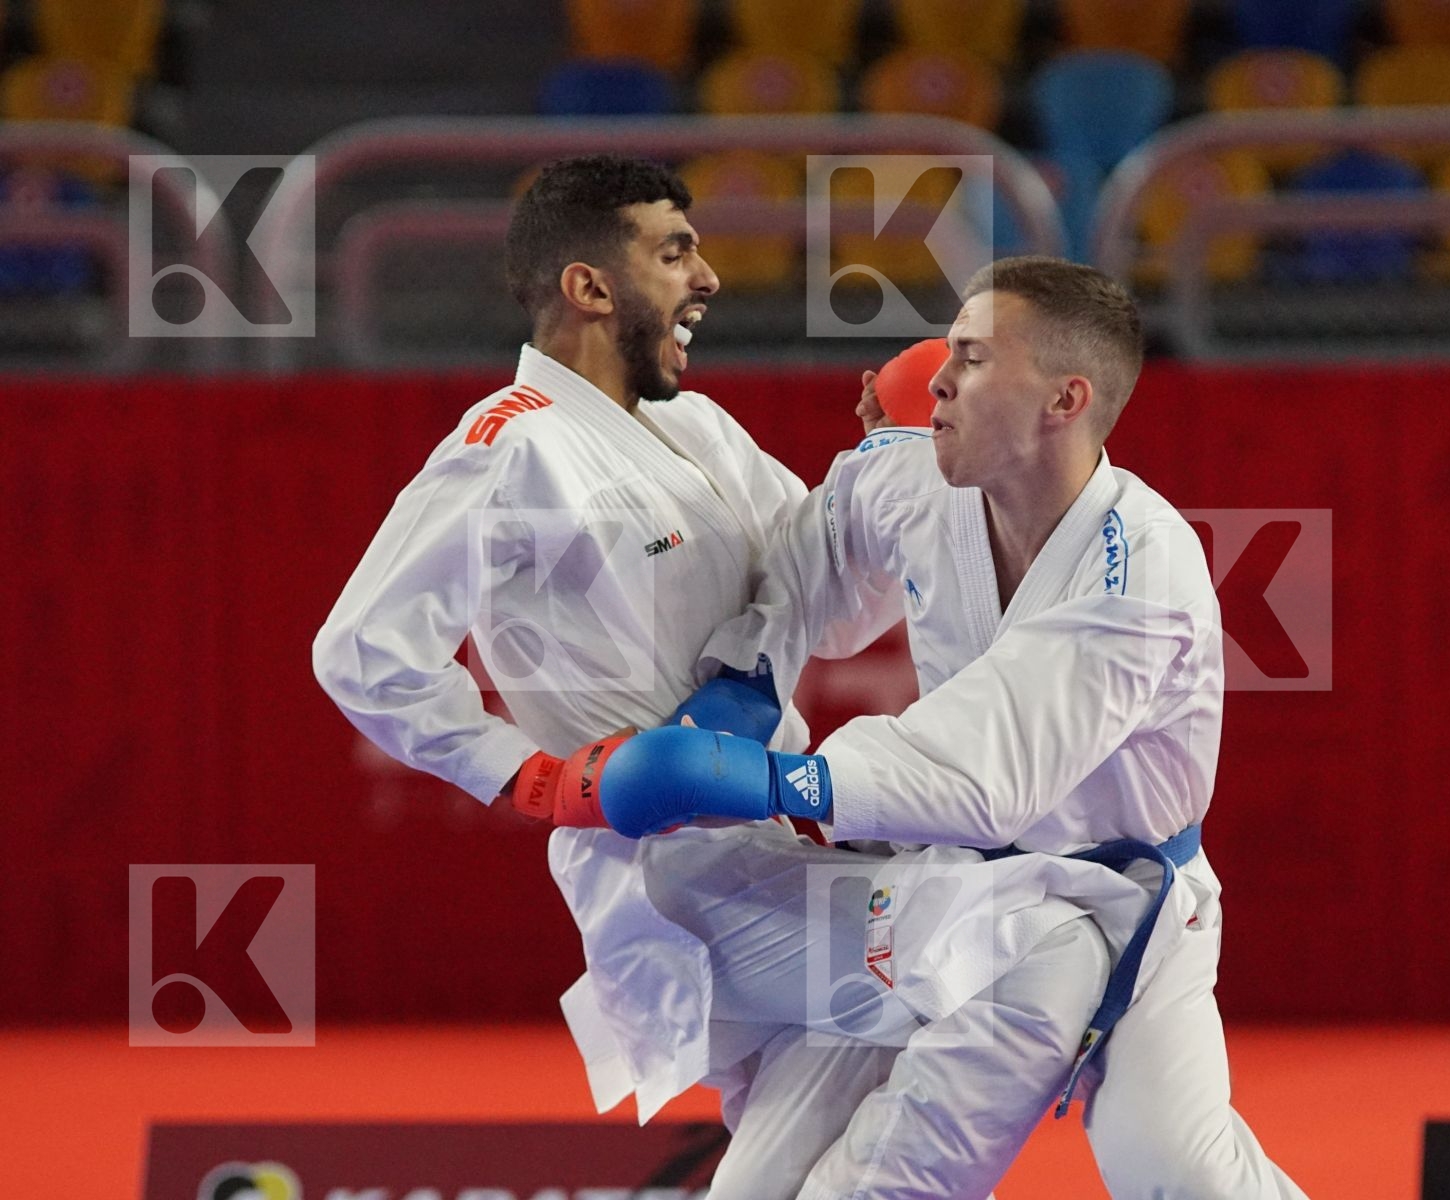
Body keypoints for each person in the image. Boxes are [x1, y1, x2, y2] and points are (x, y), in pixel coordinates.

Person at [311, 155, 1122, 1199]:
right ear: (590, 288)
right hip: (677, 880)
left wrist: (887, 473)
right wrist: (540, 782)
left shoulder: (696, 428)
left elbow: (829, 607)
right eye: (674, 251)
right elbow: (361, 653)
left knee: (803, 1149)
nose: (708, 279)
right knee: (1025, 939)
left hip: (788, 844)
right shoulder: (509, 447)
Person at [602, 256, 1311, 1199]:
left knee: (1182, 1179)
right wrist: (751, 673)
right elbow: (823, 556)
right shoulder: (920, 478)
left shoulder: (1140, 572)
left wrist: (770, 780)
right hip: (941, 901)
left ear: (1064, 399)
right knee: (757, 1187)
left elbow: (986, 779)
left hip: (1116, 906)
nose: (934, 374)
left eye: (971, 357)